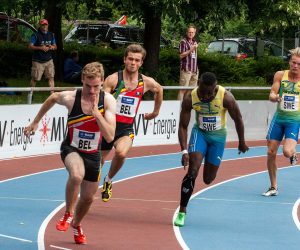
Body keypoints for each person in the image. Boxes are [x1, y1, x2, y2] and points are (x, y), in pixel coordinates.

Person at [24, 62, 116, 244]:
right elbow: (52, 98)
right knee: (76, 175)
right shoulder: (71, 98)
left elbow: (110, 135)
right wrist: (35, 122)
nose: (91, 91)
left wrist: (97, 114)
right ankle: (67, 213)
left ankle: (76, 224)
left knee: (88, 198)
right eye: (87, 86)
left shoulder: (108, 101)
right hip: (71, 148)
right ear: (82, 80)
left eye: (96, 86)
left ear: (102, 82)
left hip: (93, 154)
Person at [174, 72, 249, 227]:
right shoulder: (190, 98)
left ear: (215, 88)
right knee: (192, 171)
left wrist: (241, 142)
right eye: (203, 92)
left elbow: (238, 119)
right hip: (199, 134)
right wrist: (184, 151)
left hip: (218, 138)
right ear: (198, 84)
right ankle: (182, 211)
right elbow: (183, 125)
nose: (206, 96)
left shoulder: (226, 97)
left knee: (208, 179)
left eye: (210, 93)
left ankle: (208, 155)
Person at [100, 44, 163, 202]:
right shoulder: (113, 79)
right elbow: (99, 101)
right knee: (96, 167)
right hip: (107, 127)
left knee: (121, 153)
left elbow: (159, 89)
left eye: (137, 60)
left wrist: (156, 112)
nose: (133, 63)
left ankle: (108, 180)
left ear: (141, 63)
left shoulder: (145, 82)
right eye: (130, 59)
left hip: (125, 129)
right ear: (124, 59)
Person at [262, 47, 300, 197]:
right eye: (293, 62)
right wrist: (275, 97)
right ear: (289, 62)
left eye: (299, 64)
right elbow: (272, 93)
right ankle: (273, 186)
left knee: (286, 152)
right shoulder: (280, 75)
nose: (295, 66)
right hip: (279, 119)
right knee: (270, 152)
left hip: (294, 120)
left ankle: (293, 153)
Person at [28, 19, 57, 103]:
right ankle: (31, 94)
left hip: (49, 60)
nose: (44, 26)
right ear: (40, 26)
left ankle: (52, 96)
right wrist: (41, 48)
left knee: (51, 77)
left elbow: (55, 46)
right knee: (35, 79)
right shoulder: (35, 35)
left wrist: (51, 47)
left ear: (48, 25)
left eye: (46, 25)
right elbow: (30, 46)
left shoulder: (51, 35)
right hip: (38, 61)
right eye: (42, 25)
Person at [178, 24, 199, 101]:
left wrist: (196, 69)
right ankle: (178, 108)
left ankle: (186, 107)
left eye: (192, 32)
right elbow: (181, 56)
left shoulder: (194, 42)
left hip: (194, 70)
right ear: (187, 32)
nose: (191, 34)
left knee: (192, 91)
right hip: (186, 69)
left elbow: (194, 57)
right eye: (189, 32)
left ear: (195, 33)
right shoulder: (183, 42)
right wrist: (191, 49)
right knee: (182, 90)